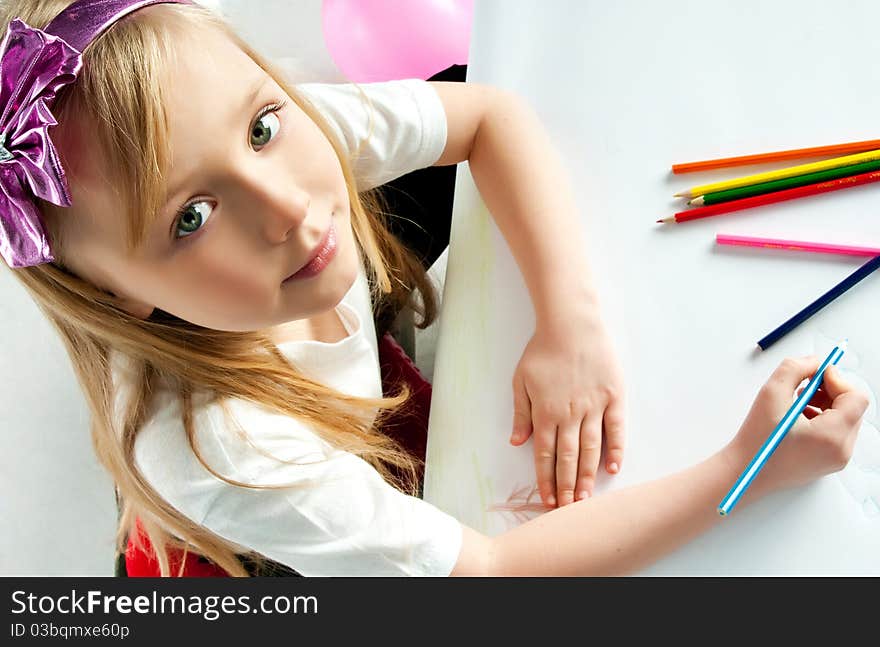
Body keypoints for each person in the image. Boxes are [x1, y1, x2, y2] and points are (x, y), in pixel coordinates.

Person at [0, 0, 868, 577]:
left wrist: (568, 320)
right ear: (122, 299)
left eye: (264, 124)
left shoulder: (258, 140)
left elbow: (485, 114)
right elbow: (488, 574)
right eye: (190, 217)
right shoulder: (221, 451)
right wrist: (745, 469)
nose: (288, 210)